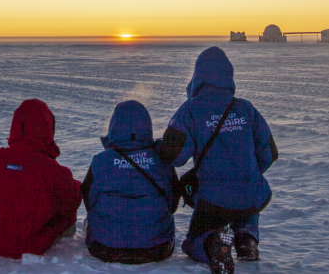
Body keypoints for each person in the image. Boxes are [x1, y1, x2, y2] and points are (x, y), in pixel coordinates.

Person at [157, 46, 278, 274]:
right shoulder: (245, 108)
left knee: (193, 245)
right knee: (247, 199)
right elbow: (269, 154)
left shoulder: (191, 110)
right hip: (250, 195)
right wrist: (245, 173)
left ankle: (213, 243)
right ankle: (247, 239)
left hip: (214, 201)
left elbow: (174, 156)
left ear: (197, 77)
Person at [0, 99, 82, 259]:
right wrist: (75, 185)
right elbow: (71, 203)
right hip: (30, 246)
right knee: (66, 210)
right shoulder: (52, 170)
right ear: (47, 129)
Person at [81, 100, 178, 264]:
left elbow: (88, 197)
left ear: (114, 125)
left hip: (105, 246)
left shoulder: (101, 161)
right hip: (157, 247)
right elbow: (173, 202)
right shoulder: (162, 160)